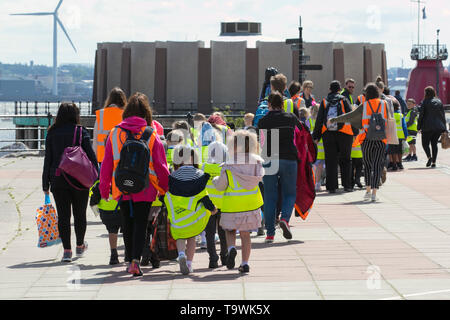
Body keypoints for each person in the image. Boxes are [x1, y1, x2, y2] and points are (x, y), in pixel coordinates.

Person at [99, 92, 170, 277]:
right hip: (145, 187)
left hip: (121, 186)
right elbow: (162, 166)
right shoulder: (151, 134)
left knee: (126, 223)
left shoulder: (114, 133)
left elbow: (106, 164)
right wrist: (165, 188)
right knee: (140, 222)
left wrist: (104, 188)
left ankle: (129, 258)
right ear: (146, 113)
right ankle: (135, 261)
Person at [42, 102, 98, 262]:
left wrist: (45, 183)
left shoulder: (52, 132)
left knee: (63, 216)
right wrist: (97, 176)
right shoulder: (81, 132)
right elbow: (91, 156)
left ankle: (67, 251)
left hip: (58, 179)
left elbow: (48, 159)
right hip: (79, 179)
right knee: (80, 214)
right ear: (76, 115)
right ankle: (80, 246)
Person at [213, 130, 264, 273]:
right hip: (251, 204)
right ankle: (245, 263)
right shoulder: (257, 163)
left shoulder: (228, 165)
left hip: (232, 204)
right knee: (246, 235)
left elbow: (221, 186)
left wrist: (215, 180)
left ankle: (231, 248)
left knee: (230, 230)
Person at [329, 83, 389, 202]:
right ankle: (374, 193)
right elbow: (389, 119)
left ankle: (367, 191)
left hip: (366, 139)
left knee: (367, 165)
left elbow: (350, 116)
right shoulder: (384, 104)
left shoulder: (364, 105)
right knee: (377, 165)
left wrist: (335, 119)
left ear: (367, 94)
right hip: (381, 139)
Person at [257, 91, 304, 243]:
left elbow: (262, 144)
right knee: (290, 193)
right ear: (283, 105)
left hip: (270, 158)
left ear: (269, 104)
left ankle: (270, 234)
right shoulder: (290, 118)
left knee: (270, 196)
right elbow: (302, 132)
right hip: (288, 158)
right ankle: (284, 219)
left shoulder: (263, 121)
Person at [164, 145, 218, 275]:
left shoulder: (172, 177)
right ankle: (189, 263)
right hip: (194, 216)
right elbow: (204, 197)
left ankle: (181, 254)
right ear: (194, 158)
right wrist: (212, 209)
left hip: (179, 215)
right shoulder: (200, 176)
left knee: (181, 236)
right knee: (192, 238)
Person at [312, 80, 355, 193]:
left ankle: (331, 187)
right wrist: (354, 132)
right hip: (345, 133)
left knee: (330, 160)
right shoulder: (344, 100)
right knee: (345, 159)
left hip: (328, 133)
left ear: (330, 90)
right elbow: (351, 115)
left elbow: (319, 120)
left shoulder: (325, 101)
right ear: (340, 90)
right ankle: (347, 185)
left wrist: (316, 136)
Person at [202, 141, 229, 268]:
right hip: (223, 205)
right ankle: (225, 256)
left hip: (208, 206)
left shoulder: (203, 167)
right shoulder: (225, 167)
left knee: (210, 233)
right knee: (223, 233)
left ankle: (212, 259)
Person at [93, 87, 127, 164]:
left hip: (103, 157)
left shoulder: (101, 114)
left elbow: (95, 139)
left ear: (109, 99)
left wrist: (94, 158)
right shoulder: (125, 115)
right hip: (120, 157)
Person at [418, 86, 447, 168]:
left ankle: (429, 157)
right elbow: (442, 115)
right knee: (434, 144)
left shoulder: (425, 102)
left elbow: (421, 115)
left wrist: (419, 126)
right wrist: (444, 127)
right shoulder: (439, 101)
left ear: (426, 93)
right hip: (438, 127)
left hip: (427, 127)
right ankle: (434, 162)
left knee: (425, 144)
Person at [308, 103, 325, 191]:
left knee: (313, 165)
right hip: (321, 145)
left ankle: (312, 183)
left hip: (312, 144)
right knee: (320, 165)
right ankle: (317, 183)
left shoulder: (309, 120)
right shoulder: (322, 120)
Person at [387, 100, 408, 171]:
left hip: (391, 136)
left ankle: (394, 164)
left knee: (392, 151)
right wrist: (406, 134)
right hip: (400, 136)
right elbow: (404, 126)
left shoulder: (390, 116)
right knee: (399, 150)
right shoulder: (401, 115)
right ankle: (400, 163)